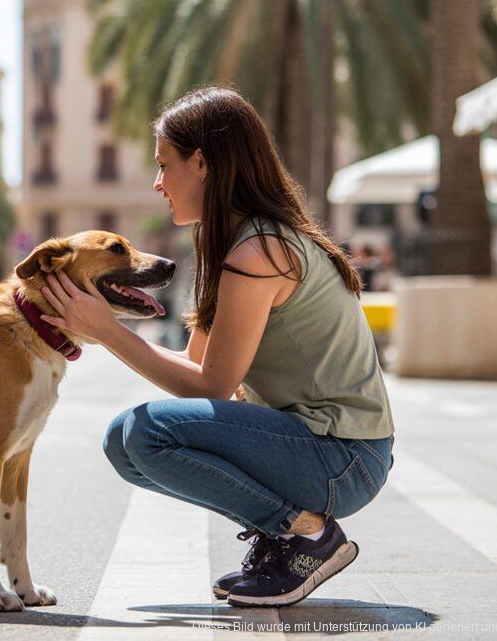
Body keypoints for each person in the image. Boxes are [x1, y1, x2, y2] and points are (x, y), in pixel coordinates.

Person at [39, 87, 394, 608]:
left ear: (202, 163)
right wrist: (100, 328)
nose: (158, 182)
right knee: (125, 443)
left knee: (145, 432)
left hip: (344, 458)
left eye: (164, 164)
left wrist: (108, 331)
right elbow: (196, 366)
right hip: (323, 449)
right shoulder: (236, 244)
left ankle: (308, 536)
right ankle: (289, 534)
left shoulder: (260, 251)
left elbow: (212, 386)